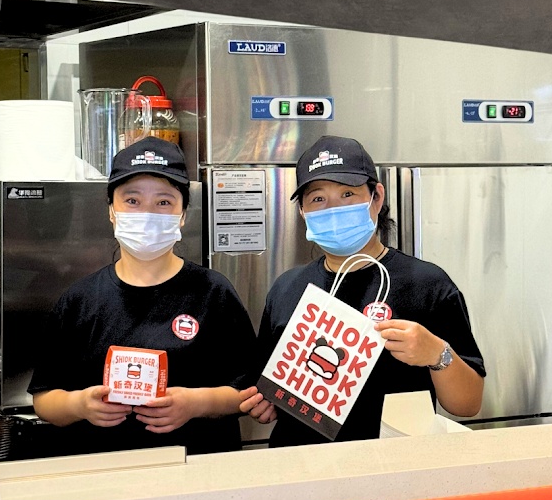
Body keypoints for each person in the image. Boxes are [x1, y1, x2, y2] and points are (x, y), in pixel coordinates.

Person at [240, 135, 485, 447]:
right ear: (302, 211)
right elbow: (268, 386)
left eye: (347, 194)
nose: (333, 208)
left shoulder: (428, 284)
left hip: (392, 472)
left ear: (376, 197)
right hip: (301, 470)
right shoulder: (286, 288)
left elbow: (467, 405)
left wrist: (437, 354)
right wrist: (265, 403)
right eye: (318, 199)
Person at [30, 136, 256, 455]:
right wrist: (79, 404)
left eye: (163, 202)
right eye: (132, 201)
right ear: (111, 211)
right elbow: (44, 398)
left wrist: (196, 403)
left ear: (182, 215)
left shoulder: (213, 292)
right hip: (106, 475)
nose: (147, 213)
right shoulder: (80, 300)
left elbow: (249, 392)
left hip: (199, 473)